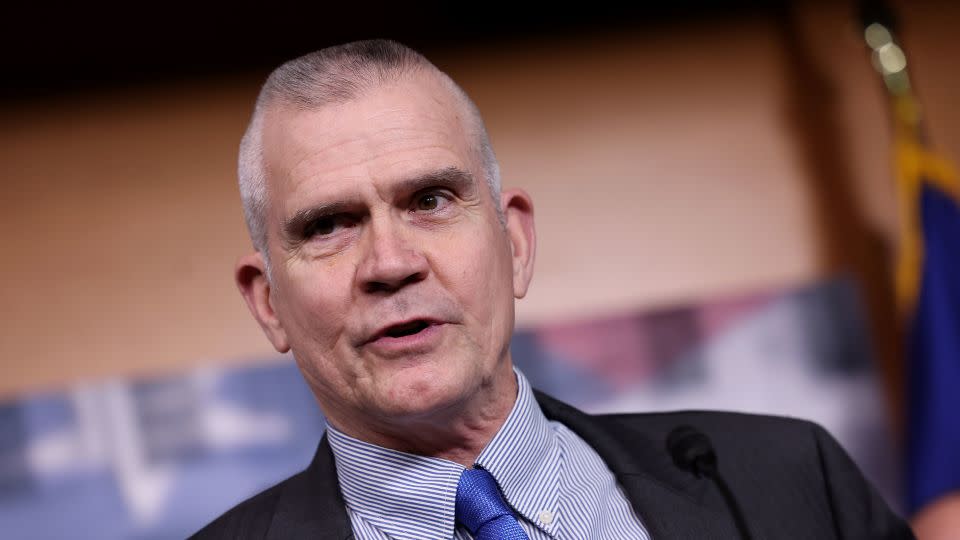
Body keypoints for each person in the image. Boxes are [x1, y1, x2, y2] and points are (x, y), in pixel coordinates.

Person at [193, 39, 914, 539]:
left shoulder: (786, 481)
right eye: (328, 225)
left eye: (431, 200)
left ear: (515, 242)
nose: (390, 262)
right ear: (266, 301)